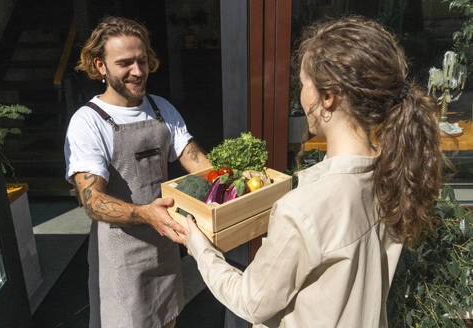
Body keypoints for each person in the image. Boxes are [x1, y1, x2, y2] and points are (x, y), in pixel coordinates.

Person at [183, 16, 443, 327]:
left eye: (304, 84)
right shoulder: (392, 170)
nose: (301, 95)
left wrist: (200, 248)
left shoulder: (304, 208)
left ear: (328, 96)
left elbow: (252, 302)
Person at [64, 16, 210, 328]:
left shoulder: (160, 108)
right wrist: (146, 214)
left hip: (164, 248)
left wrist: (234, 181)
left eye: (142, 60)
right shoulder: (88, 122)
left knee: (168, 320)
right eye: (125, 63)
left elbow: (197, 161)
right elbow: (93, 201)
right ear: (100, 65)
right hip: (120, 259)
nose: (138, 71)